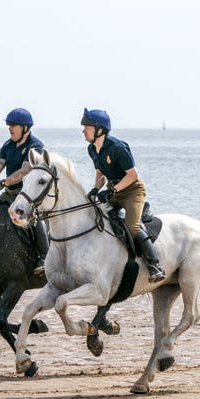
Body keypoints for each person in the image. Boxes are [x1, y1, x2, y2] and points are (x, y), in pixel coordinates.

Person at [81, 108, 166, 283]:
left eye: (87, 127)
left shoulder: (117, 147)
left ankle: (155, 265)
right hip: (114, 189)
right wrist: (95, 190)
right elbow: (100, 173)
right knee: (95, 217)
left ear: (99, 129)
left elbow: (132, 175)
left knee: (132, 226)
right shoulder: (92, 149)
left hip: (132, 190)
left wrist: (112, 191)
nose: (83, 130)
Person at [0, 108, 48, 275]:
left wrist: (4, 182)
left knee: (33, 220)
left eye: (14, 125)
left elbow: (24, 172)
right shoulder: (8, 145)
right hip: (11, 192)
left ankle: (44, 257)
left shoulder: (35, 146)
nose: (10, 129)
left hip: (28, 195)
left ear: (25, 128)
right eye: (9, 125)